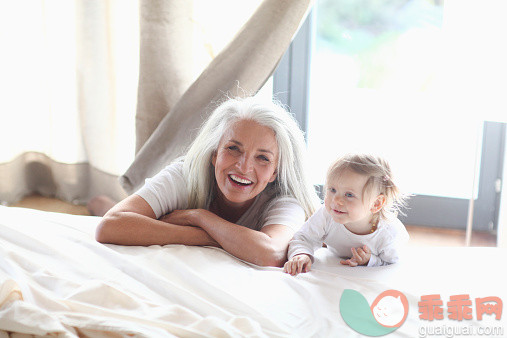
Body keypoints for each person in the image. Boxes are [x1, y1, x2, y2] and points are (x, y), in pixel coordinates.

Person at [95, 96, 320, 267]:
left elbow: (270, 253)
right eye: (233, 149)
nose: (243, 167)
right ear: (214, 154)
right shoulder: (187, 173)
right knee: (108, 208)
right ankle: (101, 203)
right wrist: (213, 237)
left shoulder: (284, 199)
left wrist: (198, 217)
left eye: (262, 158)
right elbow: (109, 226)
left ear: (274, 172)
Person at [283, 153, 409, 275]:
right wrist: (301, 254)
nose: (336, 200)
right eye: (332, 190)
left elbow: (394, 264)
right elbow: (303, 237)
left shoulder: (389, 235)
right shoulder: (327, 214)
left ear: (376, 204)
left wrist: (370, 260)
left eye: (349, 195)